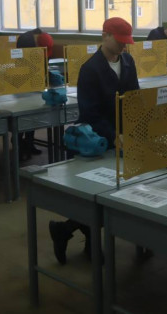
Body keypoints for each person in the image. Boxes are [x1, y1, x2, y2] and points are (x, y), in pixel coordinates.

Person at [48, 17, 139, 265]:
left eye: (126, 42)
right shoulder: (90, 69)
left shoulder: (128, 62)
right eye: (119, 41)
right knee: (97, 194)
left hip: (123, 137)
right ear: (105, 36)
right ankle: (85, 240)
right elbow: (90, 113)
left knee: (119, 191)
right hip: (96, 140)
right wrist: (113, 135)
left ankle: (68, 232)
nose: (123, 46)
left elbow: (134, 99)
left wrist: (136, 127)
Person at [15, 29, 54, 160]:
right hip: (22, 81)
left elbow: (44, 60)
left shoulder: (44, 37)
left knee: (33, 114)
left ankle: (29, 143)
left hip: (34, 82)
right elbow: (22, 63)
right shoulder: (25, 40)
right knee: (22, 114)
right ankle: (18, 143)